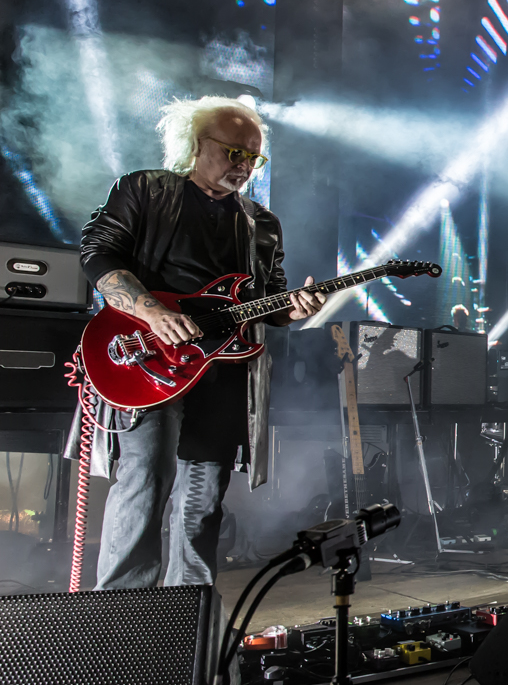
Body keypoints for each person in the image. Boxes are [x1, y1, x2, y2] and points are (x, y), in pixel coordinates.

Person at [79, 96, 326, 590]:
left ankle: (185, 622)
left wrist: (294, 310)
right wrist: (150, 310)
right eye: (234, 152)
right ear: (196, 145)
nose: (244, 166)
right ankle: (122, 617)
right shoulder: (147, 189)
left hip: (223, 370)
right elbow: (98, 251)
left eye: (253, 157)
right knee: (144, 482)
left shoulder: (262, 224)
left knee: (204, 497)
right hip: (148, 358)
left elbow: (269, 301)